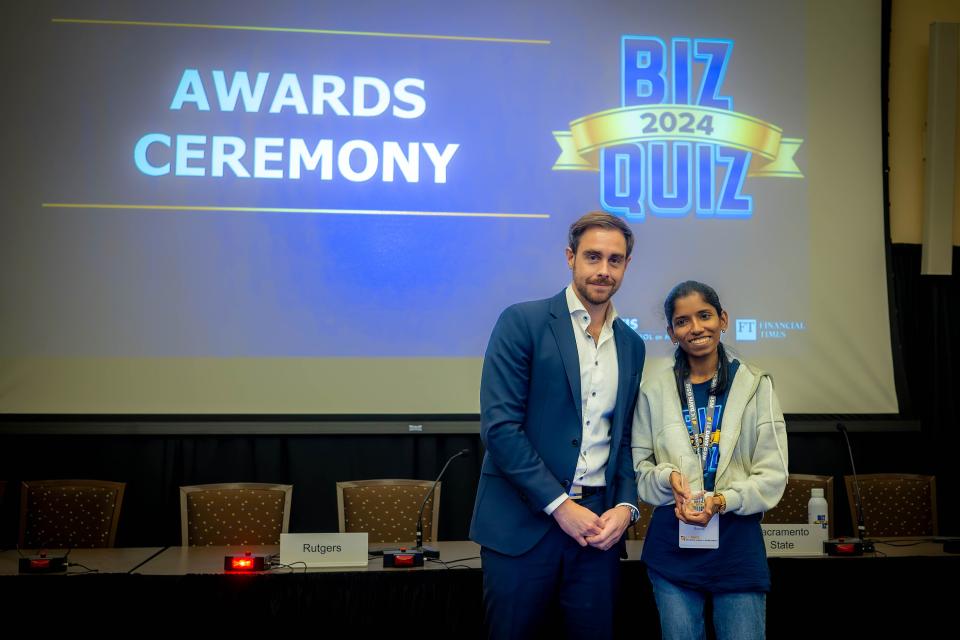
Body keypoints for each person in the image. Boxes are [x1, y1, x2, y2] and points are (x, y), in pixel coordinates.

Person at [470, 211, 646, 639]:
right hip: (521, 528)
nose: (603, 270)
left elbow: (623, 439)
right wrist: (561, 507)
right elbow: (501, 429)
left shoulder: (632, 344)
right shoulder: (523, 322)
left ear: (626, 265)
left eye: (615, 260)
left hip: (597, 533)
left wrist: (626, 507)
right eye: (592, 257)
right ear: (570, 257)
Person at [631, 281, 788, 640]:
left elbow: (773, 475)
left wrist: (721, 500)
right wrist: (667, 478)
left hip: (737, 547)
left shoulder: (755, 386)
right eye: (682, 321)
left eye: (705, 316)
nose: (696, 328)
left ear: (723, 319)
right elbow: (640, 471)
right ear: (671, 333)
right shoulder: (653, 391)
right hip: (673, 547)